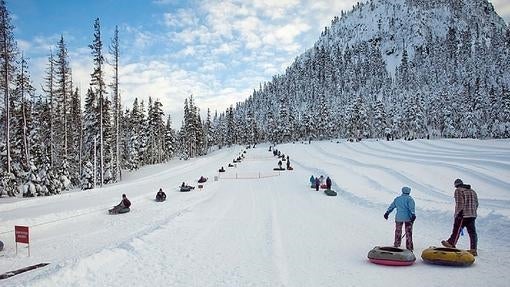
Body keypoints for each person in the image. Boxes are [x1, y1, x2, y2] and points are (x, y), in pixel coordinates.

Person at [441, 179, 478, 256]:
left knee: (457, 229)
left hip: (463, 214)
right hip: (472, 214)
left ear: (456, 185)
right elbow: (476, 203)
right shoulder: (472, 191)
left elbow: (459, 203)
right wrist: (473, 211)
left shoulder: (458, 190)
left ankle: (451, 243)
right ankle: (473, 249)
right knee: (472, 232)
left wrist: (458, 213)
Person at [384, 186, 416, 251]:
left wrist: (387, 213)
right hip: (408, 218)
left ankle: (397, 244)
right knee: (408, 232)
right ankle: (409, 246)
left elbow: (392, 206)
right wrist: (413, 215)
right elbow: (411, 208)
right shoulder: (410, 199)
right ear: (409, 192)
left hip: (398, 218)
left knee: (398, 231)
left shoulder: (397, 199)